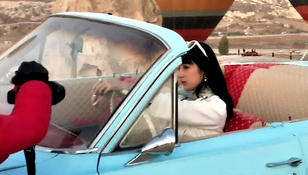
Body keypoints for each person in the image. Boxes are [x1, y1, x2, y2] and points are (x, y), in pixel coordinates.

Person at [91, 41, 234, 142]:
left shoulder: (215, 107)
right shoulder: (180, 94)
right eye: (177, 68)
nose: (180, 74)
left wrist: (126, 87)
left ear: (204, 70)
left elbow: (168, 107)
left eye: (185, 67)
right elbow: (155, 108)